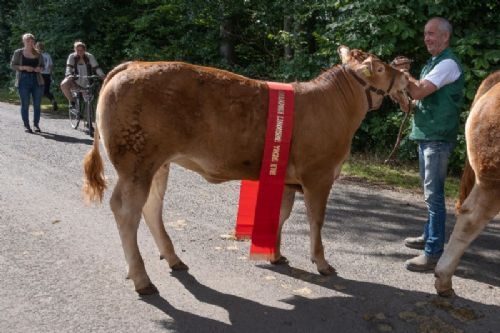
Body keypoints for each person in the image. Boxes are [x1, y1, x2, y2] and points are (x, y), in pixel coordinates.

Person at [402, 17, 465, 271]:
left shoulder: (448, 63)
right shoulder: (432, 64)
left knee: (434, 196)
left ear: (445, 37)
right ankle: (429, 236)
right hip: (428, 135)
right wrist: (401, 90)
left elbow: (417, 92)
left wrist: (403, 75)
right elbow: (412, 103)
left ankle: (433, 252)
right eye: (425, 34)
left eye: (431, 34)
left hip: (437, 138)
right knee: (430, 194)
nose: (426, 38)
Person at [10, 33, 45, 133]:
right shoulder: (18, 52)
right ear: (23, 41)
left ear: (34, 41)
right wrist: (23, 68)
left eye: (31, 40)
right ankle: (26, 125)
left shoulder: (38, 53)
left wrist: (40, 68)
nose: (30, 42)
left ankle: (36, 125)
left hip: (37, 80)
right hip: (23, 80)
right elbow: (12, 65)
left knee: (37, 104)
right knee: (25, 104)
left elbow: (43, 66)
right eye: (27, 40)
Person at [60, 41, 105, 110]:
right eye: (77, 50)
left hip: (87, 81)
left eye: (81, 50)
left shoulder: (90, 56)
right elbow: (69, 67)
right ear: (75, 50)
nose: (79, 52)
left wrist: (102, 75)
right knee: (63, 84)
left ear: (84, 50)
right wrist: (69, 75)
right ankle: (72, 102)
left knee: (89, 100)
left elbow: (96, 68)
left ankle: (89, 115)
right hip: (75, 81)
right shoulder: (72, 56)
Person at [35, 42, 58, 111]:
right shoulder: (48, 55)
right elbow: (51, 66)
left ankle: (37, 105)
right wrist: (50, 75)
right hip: (47, 74)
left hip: (38, 74)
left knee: (36, 89)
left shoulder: (36, 55)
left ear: (37, 47)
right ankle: (53, 100)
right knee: (46, 91)